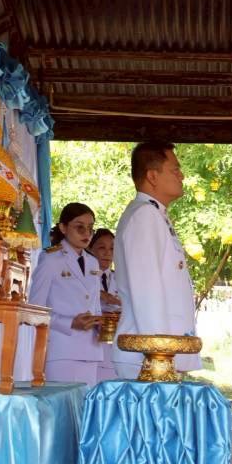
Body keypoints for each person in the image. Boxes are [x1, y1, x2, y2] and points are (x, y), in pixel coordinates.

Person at [112, 142, 200, 379]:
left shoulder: (155, 214)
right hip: (149, 357)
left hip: (160, 354)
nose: (181, 175)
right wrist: (159, 353)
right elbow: (147, 293)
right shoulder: (144, 216)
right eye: (174, 169)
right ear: (152, 176)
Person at [28, 202, 106, 385]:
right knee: (61, 409)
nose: (86, 234)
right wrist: (70, 322)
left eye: (90, 228)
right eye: (80, 227)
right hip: (62, 350)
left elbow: (94, 305)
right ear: (63, 228)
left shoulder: (93, 263)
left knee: (84, 410)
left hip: (91, 349)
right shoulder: (51, 260)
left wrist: (102, 324)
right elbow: (34, 310)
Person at [87, 227, 120, 383]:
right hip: (87, 344)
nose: (108, 253)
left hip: (113, 347)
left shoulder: (120, 279)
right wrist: (102, 295)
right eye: (102, 248)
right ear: (90, 248)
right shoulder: (83, 276)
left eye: (112, 248)